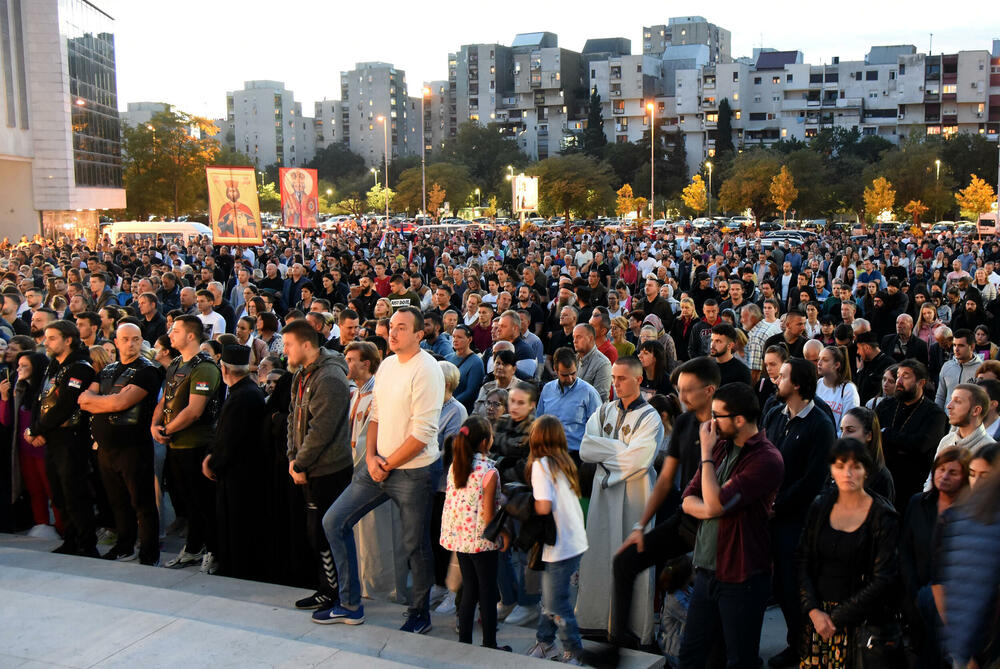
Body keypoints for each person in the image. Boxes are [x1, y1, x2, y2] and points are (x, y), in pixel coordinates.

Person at [317, 307, 444, 633]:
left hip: (413, 471)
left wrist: (386, 463)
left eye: (402, 327)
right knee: (334, 520)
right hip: (377, 466)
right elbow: (376, 415)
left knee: (415, 545)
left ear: (419, 334)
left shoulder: (427, 370)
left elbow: (423, 434)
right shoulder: (387, 365)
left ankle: (420, 613)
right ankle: (349, 602)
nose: (393, 331)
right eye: (391, 326)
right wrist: (372, 458)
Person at [677, 382, 784, 669]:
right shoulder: (722, 447)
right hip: (706, 572)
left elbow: (716, 502)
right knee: (691, 655)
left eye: (717, 415)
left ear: (739, 419)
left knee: (739, 659)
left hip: (741, 576)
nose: (710, 423)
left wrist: (707, 456)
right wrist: (710, 507)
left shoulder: (765, 459)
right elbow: (688, 497)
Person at [577, 357, 663, 646]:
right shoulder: (603, 411)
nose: (615, 383)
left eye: (622, 378)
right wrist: (621, 451)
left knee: (633, 562)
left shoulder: (651, 417)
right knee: (599, 556)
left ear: (639, 379)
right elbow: (586, 449)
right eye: (613, 377)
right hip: (604, 496)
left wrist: (609, 458)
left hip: (634, 498)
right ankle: (596, 622)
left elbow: (639, 460)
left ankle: (633, 632)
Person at [795, 438, 902, 668]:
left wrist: (834, 618)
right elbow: (803, 560)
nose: (848, 473)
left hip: (860, 624)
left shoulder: (883, 516)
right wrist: (813, 611)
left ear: (866, 470)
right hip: (817, 621)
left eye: (855, 466)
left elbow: (884, 578)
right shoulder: (820, 506)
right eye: (840, 465)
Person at [761, 358, 838, 667]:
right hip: (769, 513)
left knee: (794, 586)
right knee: (777, 585)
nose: (776, 380)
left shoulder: (820, 423)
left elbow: (814, 479)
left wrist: (777, 505)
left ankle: (801, 646)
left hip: (796, 519)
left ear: (797, 384)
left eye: (782, 376)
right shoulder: (774, 414)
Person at [77, 323, 162, 565]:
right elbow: (83, 400)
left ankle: (149, 553)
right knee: (117, 502)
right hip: (106, 450)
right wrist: (106, 400)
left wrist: (100, 401)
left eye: (136, 339)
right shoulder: (107, 370)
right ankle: (124, 546)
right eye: (126, 339)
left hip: (134, 448)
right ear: (116, 341)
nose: (131, 344)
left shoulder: (148, 371)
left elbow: (120, 403)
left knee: (142, 503)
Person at [152, 315, 221, 572]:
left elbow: (194, 411)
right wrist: (154, 425)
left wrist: (166, 429)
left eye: (176, 330)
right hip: (175, 444)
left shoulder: (204, 367)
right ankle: (193, 548)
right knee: (189, 504)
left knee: (203, 502)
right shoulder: (177, 363)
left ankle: (213, 550)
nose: (170, 334)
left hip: (195, 445)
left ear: (191, 335)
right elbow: (165, 399)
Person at [438, 415, 510, 651]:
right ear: (485, 442)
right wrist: (503, 534)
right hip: (481, 542)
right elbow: (489, 517)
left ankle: (465, 642)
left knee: (469, 588)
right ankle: (490, 643)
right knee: (488, 592)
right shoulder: (489, 472)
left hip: (461, 539)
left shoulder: (456, 466)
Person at [524, 415, 589, 664]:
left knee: (555, 602)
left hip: (560, 544)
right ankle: (544, 641)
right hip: (573, 540)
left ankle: (574, 650)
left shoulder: (541, 466)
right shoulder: (564, 462)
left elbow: (543, 507)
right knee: (549, 595)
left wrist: (519, 503)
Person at [29, 321, 97, 556]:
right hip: (52, 439)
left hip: (71, 439)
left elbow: (65, 405)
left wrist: (38, 429)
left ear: (68, 340)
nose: (46, 342)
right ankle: (70, 539)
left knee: (74, 492)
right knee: (58, 492)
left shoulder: (80, 367)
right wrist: (34, 428)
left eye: (52, 338)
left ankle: (86, 543)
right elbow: (40, 399)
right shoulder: (53, 366)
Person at [202, 344, 267, 580]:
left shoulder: (243, 395)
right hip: (237, 470)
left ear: (224, 369)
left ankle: (236, 567)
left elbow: (230, 438)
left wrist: (213, 462)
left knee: (238, 523)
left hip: (239, 473)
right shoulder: (244, 391)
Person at [900, 447, 969, 668]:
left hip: (953, 613)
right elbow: (905, 551)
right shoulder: (918, 503)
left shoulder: (971, 515)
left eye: (953, 472)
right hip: (917, 605)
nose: (944, 476)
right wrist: (912, 598)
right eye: (940, 469)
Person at [0, 351, 60, 538]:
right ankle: (41, 524)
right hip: (24, 450)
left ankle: (62, 526)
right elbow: (5, 420)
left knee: (53, 490)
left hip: (44, 448)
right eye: (18, 365)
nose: (19, 369)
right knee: (34, 490)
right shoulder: (19, 390)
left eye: (24, 365)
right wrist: (4, 398)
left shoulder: (47, 389)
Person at [876, 359, 949, 507]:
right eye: (898, 376)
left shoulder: (934, 414)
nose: (899, 381)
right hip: (881, 480)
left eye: (906, 376)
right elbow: (871, 434)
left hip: (911, 486)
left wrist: (886, 434)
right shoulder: (886, 405)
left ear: (921, 383)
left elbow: (920, 445)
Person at [838, 406, 896, 503]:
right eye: (842, 430)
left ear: (868, 436)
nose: (843, 436)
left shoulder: (881, 478)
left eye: (850, 430)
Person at [815, 345, 860, 433]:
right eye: (818, 359)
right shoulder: (818, 384)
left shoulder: (848, 390)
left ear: (836, 365)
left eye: (825, 360)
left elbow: (849, 424)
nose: (819, 363)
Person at [935, 329, 983, 407]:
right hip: (948, 417)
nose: (956, 349)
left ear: (972, 346)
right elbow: (940, 396)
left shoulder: (981, 369)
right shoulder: (946, 366)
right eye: (954, 345)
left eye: (961, 345)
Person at [446, 325, 484, 413]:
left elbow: (471, 391)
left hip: (462, 410)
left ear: (469, 339)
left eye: (459, 337)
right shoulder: (447, 358)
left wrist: (449, 404)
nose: (455, 340)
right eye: (454, 336)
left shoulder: (476, 362)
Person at [573, 323, 612, 400]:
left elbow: (600, 399)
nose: (575, 341)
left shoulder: (603, 363)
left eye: (579, 337)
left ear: (590, 338)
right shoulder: (573, 359)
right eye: (574, 337)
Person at [709, 322, 752, 386]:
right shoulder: (706, 367)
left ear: (730, 345)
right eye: (712, 340)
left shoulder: (742, 372)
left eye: (718, 341)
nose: (712, 345)